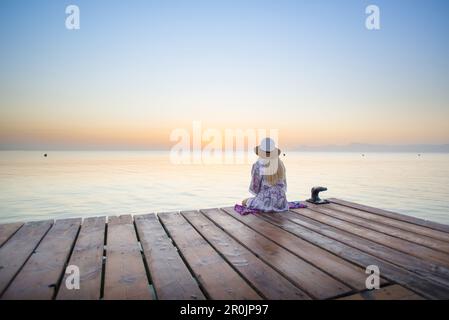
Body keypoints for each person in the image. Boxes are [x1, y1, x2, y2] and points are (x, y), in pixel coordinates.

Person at [242, 138, 289, 212]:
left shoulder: (258, 165)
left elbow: (255, 187)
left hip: (265, 201)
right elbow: (284, 186)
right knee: (251, 200)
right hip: (281, 202)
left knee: (244, 201)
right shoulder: (280, 164)